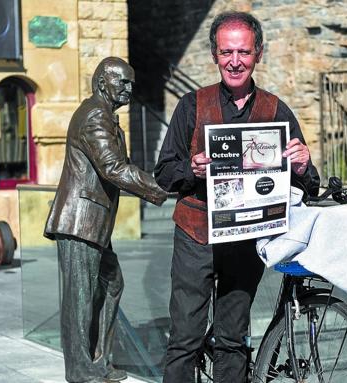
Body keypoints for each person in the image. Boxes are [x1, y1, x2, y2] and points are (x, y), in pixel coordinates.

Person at [154, 11, 320, 383]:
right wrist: (190, 170)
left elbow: (309, 184)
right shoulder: (191, 106)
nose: (234, 61)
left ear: (258, 53)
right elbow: (163, 174)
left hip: (246, 240)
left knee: (233, 339)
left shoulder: (275, 110)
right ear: (215, 54)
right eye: (226, 52)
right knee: (185, 339)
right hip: (196, 235)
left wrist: (304, 165)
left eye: (243, 52)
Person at [44, 57, 167, 383]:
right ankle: (81, 369)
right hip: (79, 221)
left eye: (132, 83)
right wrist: (159, 187)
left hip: (94, 222)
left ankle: (97, 360)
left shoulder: (105, 117)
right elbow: (113, 168)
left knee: (111, 285)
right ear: (102, 82)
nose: (129, 89)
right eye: (123, 82)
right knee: (79, 298)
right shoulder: (95, 116)